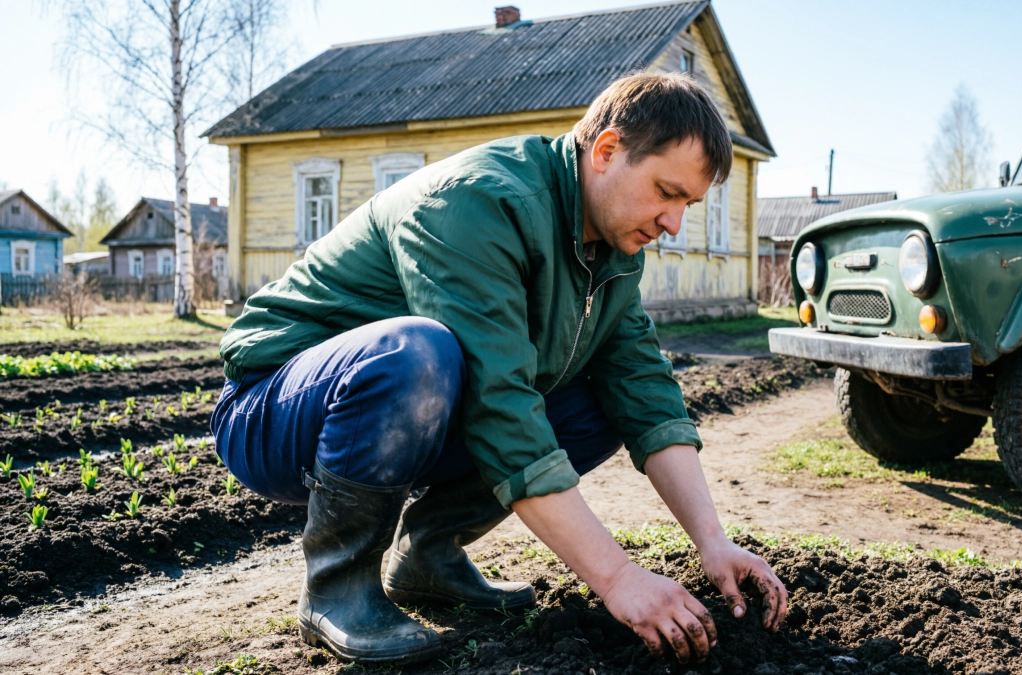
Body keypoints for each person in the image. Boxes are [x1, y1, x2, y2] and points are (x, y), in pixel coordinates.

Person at [211, 71, 788, 665]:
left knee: (598, 404)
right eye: (667, 192)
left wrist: (712, 543)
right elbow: (499, 405)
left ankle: (429, 555)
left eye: (687, 205)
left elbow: (644, 390)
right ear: (607, 150)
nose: (673, 224)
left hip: (407, 414)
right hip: (273, 410)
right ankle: (337, 589)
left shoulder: (613, 247)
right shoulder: (477, 201)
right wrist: (617, 578)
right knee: (415, 351)